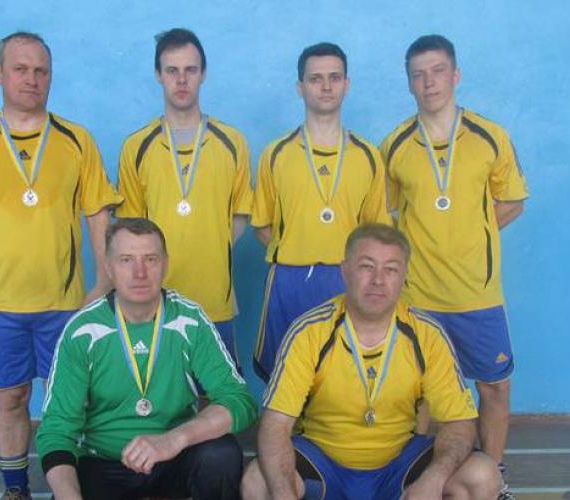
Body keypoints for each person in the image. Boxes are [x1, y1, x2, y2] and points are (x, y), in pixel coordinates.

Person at [0, 31, 122, 500]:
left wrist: (105, 281)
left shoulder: (77, 140)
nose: (31, 79)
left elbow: (98, 214)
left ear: (51, 77)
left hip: (64, 303)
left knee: (71, 402)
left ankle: (72, 487)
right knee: (10, 397)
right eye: (20, 69)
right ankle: (15, 488)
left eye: (41, 70)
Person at [241, 224, 501, 500]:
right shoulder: (309, 332)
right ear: (345, 271)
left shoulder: (428, 335)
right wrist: (283, 494)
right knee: (259, 481)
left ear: (404, 277)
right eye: (367, 267)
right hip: (323, 463)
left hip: (399, 467)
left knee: (481, 475)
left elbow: (459, 423)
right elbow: (276, 424)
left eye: (391, 269)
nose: (378, 280)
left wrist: (433, 481)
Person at [379, 35, 529, 498]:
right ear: (409, 83)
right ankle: (413, 479)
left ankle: (495, 477)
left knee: (494, 388)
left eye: (438, 71)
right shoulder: (395, 145)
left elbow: (512, 201)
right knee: (420, 395)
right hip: (418, 295)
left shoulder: (490, 136)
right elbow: (384, 215)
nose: (430, 82)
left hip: (476, 294)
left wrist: (469, 234)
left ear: (456, 75)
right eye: (419, 74)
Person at [37, 218, 257, 499]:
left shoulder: (189, 320)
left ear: (165, 264)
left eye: (150, 259)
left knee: (220, 455)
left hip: (172, 459)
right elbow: (56, 431)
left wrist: (173, 440)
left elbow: (239, 401)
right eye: (126, 260)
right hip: (103, 463)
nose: (139, 272)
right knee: (69, 484)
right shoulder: (83, 331)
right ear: (108, 267)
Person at [251, 42, 390, 382]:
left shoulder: (368, 156)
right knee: (284, 375)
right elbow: (262, 225)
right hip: (289, 280)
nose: (326, 86)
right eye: (315, 79)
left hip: (346, 279)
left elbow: (377, 233)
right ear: (300, 87)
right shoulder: (276, 154)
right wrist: (299, 252)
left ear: (347, 84)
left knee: (344, 376)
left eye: (334, 77)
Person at [116, 28, 253, 367]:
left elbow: (241, 215)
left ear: (203, 74)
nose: (181, 80)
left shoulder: (232, 142)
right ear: (158, 75)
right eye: (172, 70)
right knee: (158, 392)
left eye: (190, 70)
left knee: (218, 394)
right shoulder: (136, 147)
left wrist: (209, 246)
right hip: (157, 302)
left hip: (215, 301)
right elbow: (131, 228)